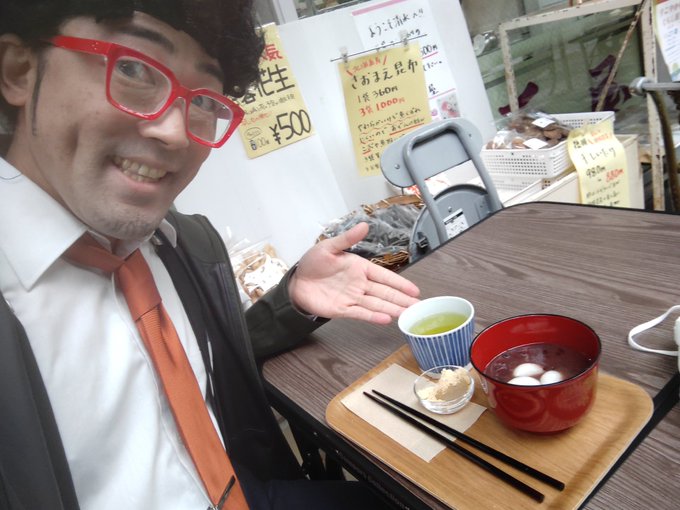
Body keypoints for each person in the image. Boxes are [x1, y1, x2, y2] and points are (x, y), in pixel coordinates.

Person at [0, 1, 421, 509]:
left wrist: (291, 299)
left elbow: (199, 367)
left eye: (201, 100)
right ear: (19, 71)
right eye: (133, 69)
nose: (175, 132)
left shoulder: (184, 243)